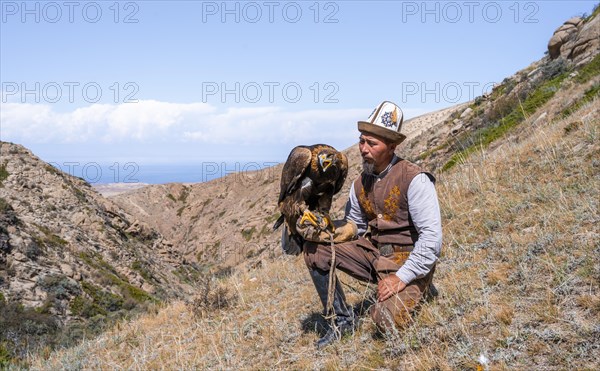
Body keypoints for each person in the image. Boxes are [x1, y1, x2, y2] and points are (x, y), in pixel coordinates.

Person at [301, 101, 442, 348]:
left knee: (385, 320)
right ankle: (342, 321)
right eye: (361, 141)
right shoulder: (359, 184)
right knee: (314, 250)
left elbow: (431, 239)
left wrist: (402, 277)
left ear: (392, 146)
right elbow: (354, 224)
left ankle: (420, 285)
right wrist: (326, 231)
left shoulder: (415, 179)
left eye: (372, 143)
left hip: (407, 261)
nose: (363, 149)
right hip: (373, 254)